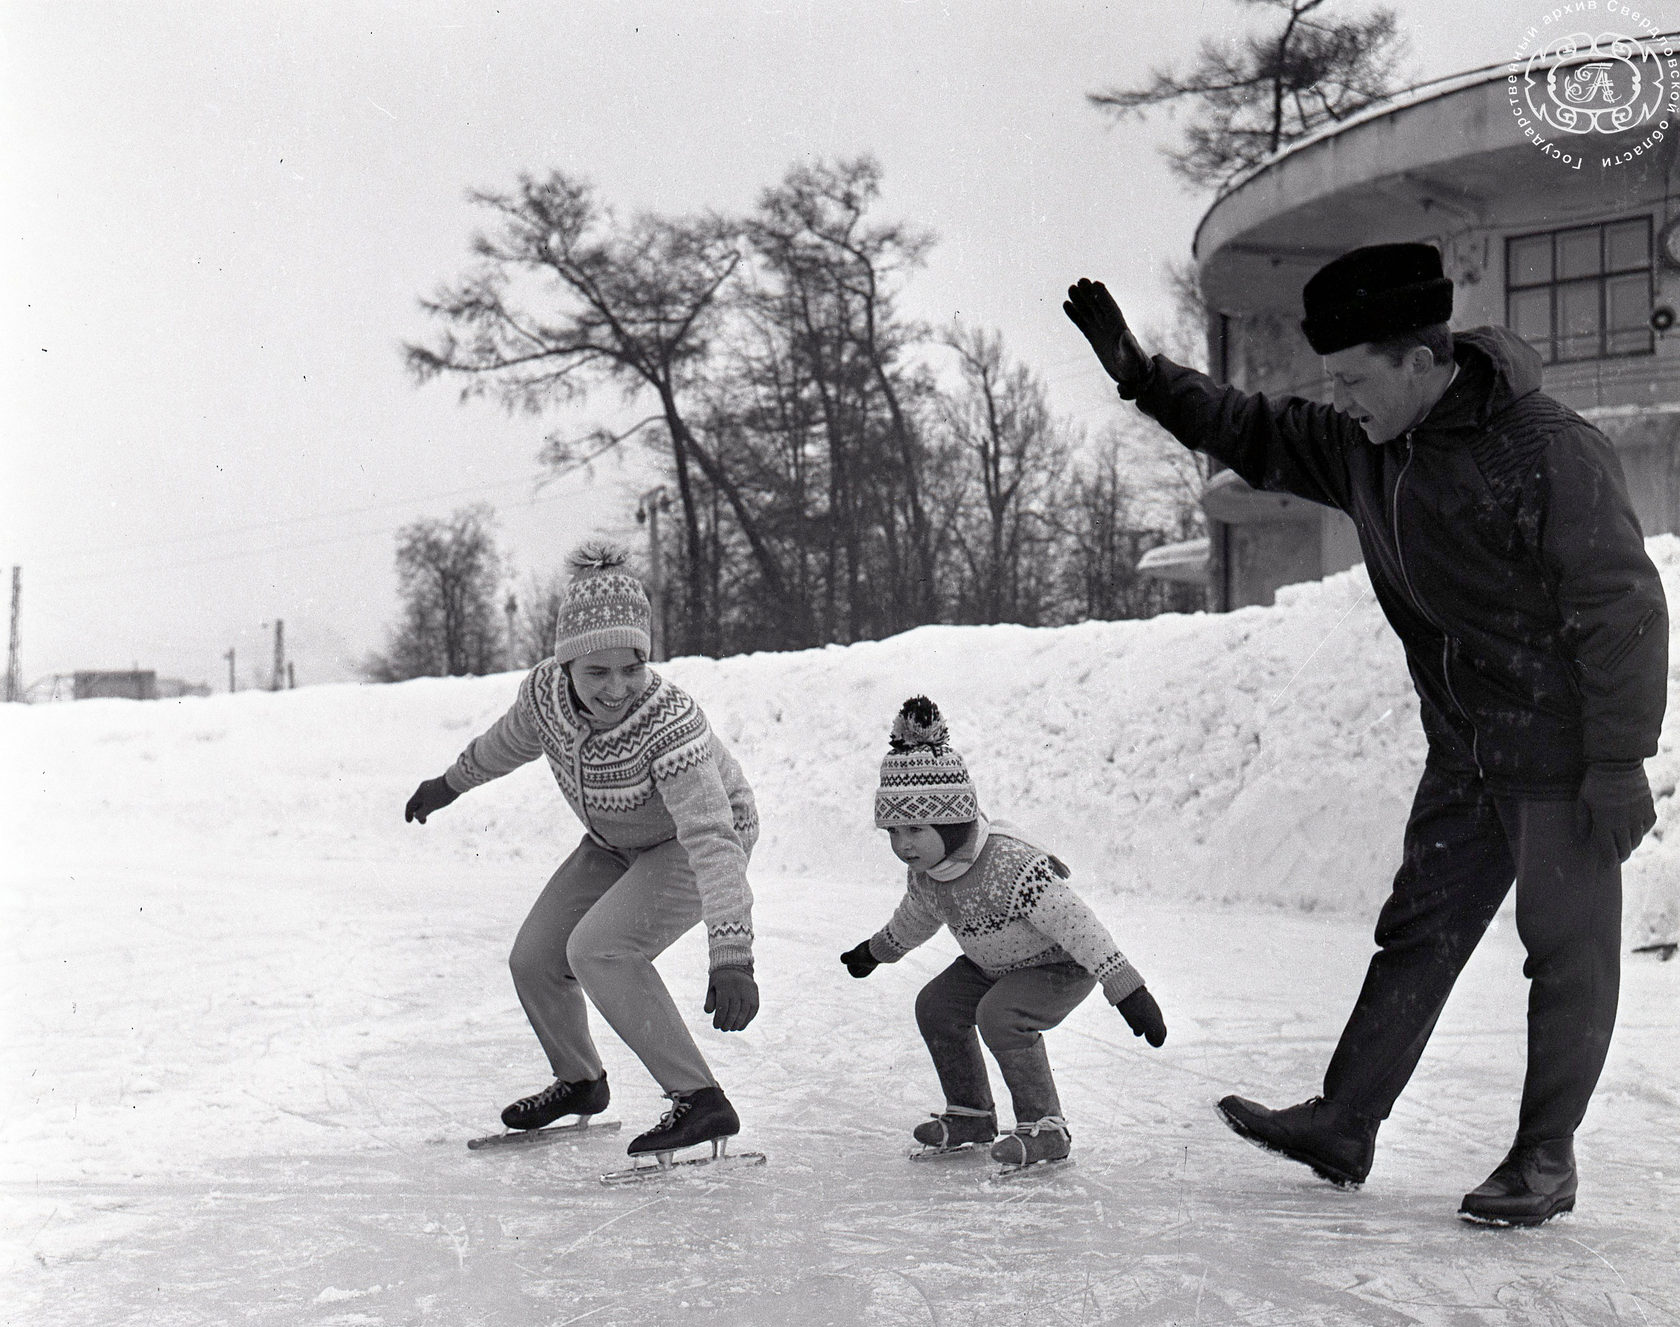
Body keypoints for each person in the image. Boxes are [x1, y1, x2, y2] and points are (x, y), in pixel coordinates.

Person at [1063, 242, 1667, 1225]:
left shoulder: (1546, 450)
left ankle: (1544, 1160)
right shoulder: (1366, 445)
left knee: (1568, 954)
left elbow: (1622, 608)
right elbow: (1251, 428)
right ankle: (1346, 1122)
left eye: (1353, 377)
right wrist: (1142, 377)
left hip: (1558, 753)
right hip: (1467, 744)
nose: (1339, 398)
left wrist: (1620, 761)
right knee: (1417, 932)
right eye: (1331, 380)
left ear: (1424, 360)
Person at [404, 541, 761, 1163]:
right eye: (597, 672)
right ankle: (581, 1082)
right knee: (534, 958)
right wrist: (449, 784)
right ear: (565, 665)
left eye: (632, 668)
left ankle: (700, 1097)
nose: (617, 688)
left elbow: (712, 838)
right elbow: (504, 743)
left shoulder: (668, 724)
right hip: (611, 843)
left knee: (600, 950)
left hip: (692, 841)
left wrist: (732, 954)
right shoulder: (545, 696)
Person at [840, 696, 1167, 1170]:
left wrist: (1127, 990)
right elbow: (915, 918)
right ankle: (972, 1114)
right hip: (991, 965)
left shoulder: (1009, 865)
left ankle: (1045, 1128)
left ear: (951, 821)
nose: (902, 844)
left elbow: (1077, 924)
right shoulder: (929, 873)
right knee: (935, 1005)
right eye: (892, 832)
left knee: (1000, 1015)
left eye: (914, 828)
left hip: (1056, 966)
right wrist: (874, 952)